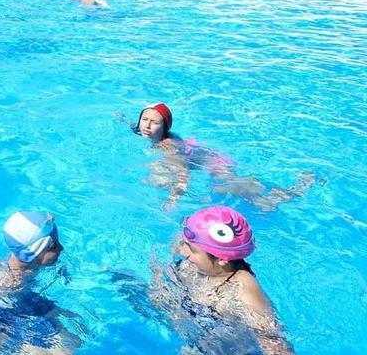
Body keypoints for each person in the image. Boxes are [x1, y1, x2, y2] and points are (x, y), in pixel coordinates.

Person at [150, 206, 294, 355]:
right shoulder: (193, 248)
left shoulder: (243, 290)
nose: (182, 251)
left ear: (222, 260)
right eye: (184, 243)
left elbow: (274, 342)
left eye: (192, 250)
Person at [129, 103, 314, 210]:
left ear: (164, 127)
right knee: (247, 196)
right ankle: (277, 196)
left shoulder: (168, 146)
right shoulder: (144, 131)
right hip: (200, 156)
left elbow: (183, 172)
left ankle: (290, 192)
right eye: (144, 119)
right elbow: (136, 127)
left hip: (212, 161)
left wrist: (174, 197)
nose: (146, 125)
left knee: (234, 186)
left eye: (154, 122)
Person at [0, 211, 78, 354]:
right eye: (53, 246)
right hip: (3, 315)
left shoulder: (23, 261)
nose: (61, 248)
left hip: (28, 302)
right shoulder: (8, 281)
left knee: (76, 338)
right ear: (30, 253)